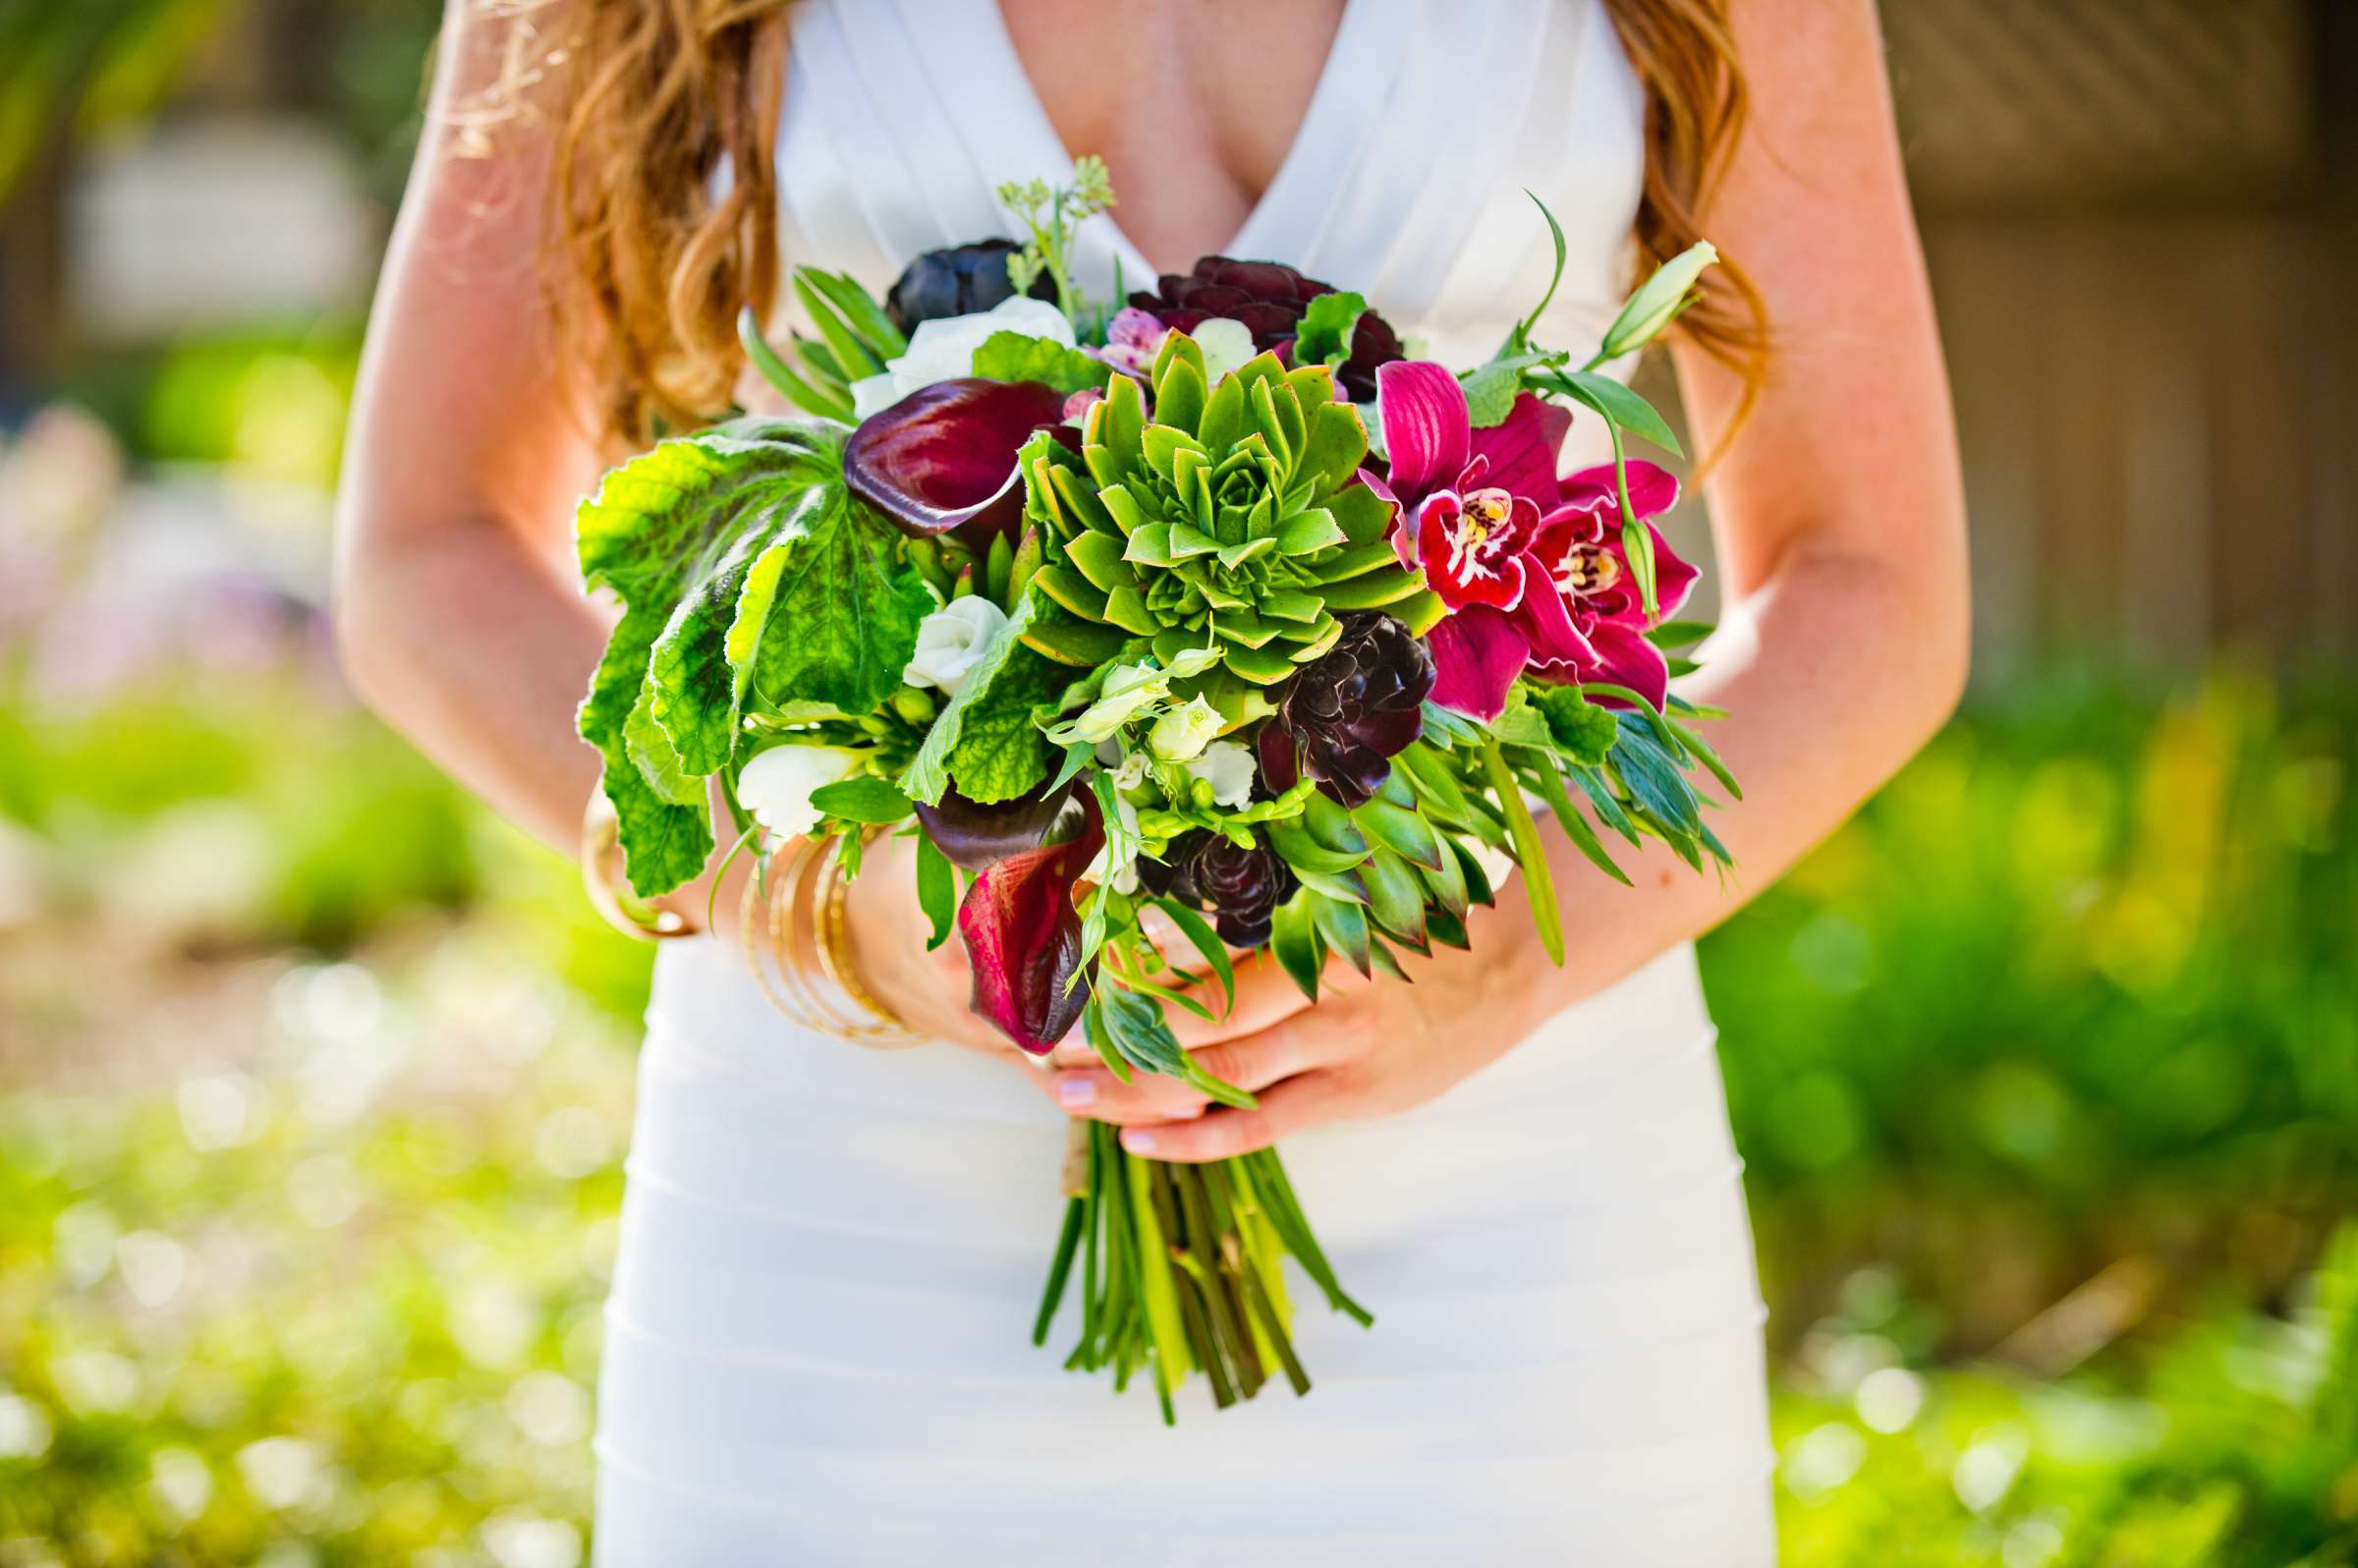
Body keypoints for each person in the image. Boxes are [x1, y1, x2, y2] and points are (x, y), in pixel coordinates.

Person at [335, 0, 1967, 1560]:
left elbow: (1872, 586)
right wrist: (827, 903)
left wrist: (1520, 947)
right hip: (846, 1233)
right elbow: (428, 551)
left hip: (1518, 1215)